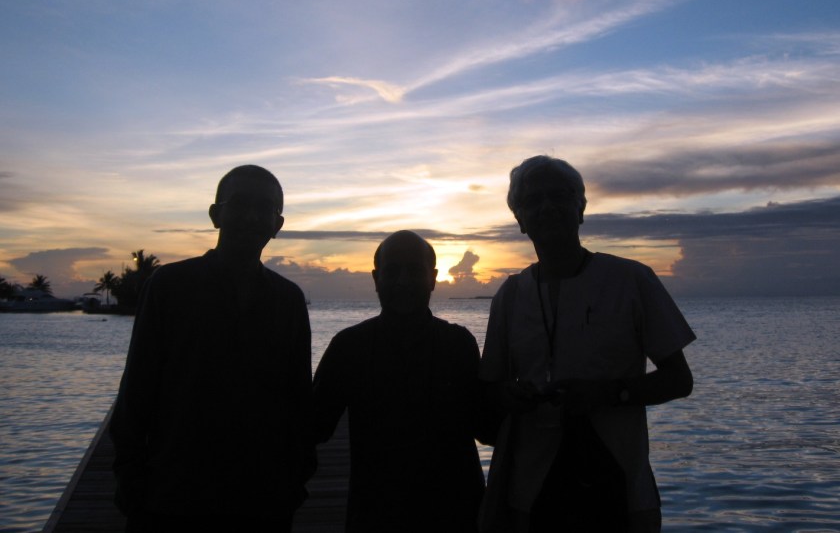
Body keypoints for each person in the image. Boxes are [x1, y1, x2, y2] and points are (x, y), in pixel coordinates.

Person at [479, 156, 695, 533]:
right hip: (530, 492)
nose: (547, 206)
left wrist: (608, 393)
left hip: (620, 489)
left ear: (581, 209)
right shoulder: (510, 296)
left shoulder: (632, 280)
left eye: (559, 195)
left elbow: (679, 380)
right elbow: (490, 390)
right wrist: (509, 395)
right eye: (533, 200)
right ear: (520, 219)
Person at [109, 165, 314, 532]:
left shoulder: (289, 300)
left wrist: (295, 477)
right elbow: (136, 389)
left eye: (263, 208)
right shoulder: (169, 286)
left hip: (261, 497)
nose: (251, 216)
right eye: (240, 204)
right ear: (216, 215)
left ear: (277, 224)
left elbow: (297, 398)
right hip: (173, 493)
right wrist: (129, 474)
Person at [312, 230, 486, 532]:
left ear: (433, 278)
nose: (403, 281)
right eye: (392, 271)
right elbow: (313, 425)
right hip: (376, 513)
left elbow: (486, 426)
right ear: (376, 279)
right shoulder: (349, 347)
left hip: (454, 512)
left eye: (414, 271)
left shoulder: (459, 344)